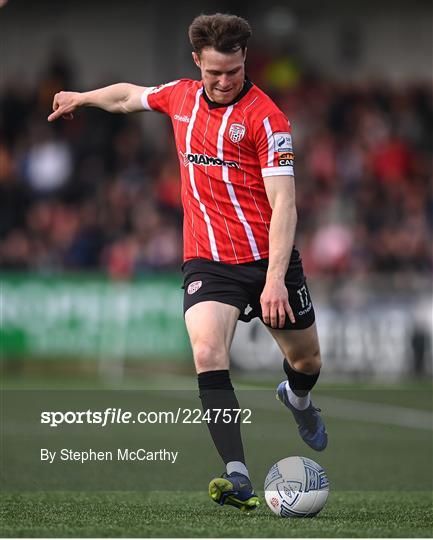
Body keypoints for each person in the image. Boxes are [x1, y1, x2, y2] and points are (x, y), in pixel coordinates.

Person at [48, 13, 327, 512]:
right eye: (214, 72)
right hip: (208, 263)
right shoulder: (180, 97)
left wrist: (276, 280)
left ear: (246, 61)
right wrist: (83, 98)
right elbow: (127, 97)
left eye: (234, 72)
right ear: (197, 61)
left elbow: (284, 204)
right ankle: (237, 474)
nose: (224, 82)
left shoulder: (268, 119)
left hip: (268, 260)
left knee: (307, 360)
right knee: (206, 353)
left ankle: (298, 399)